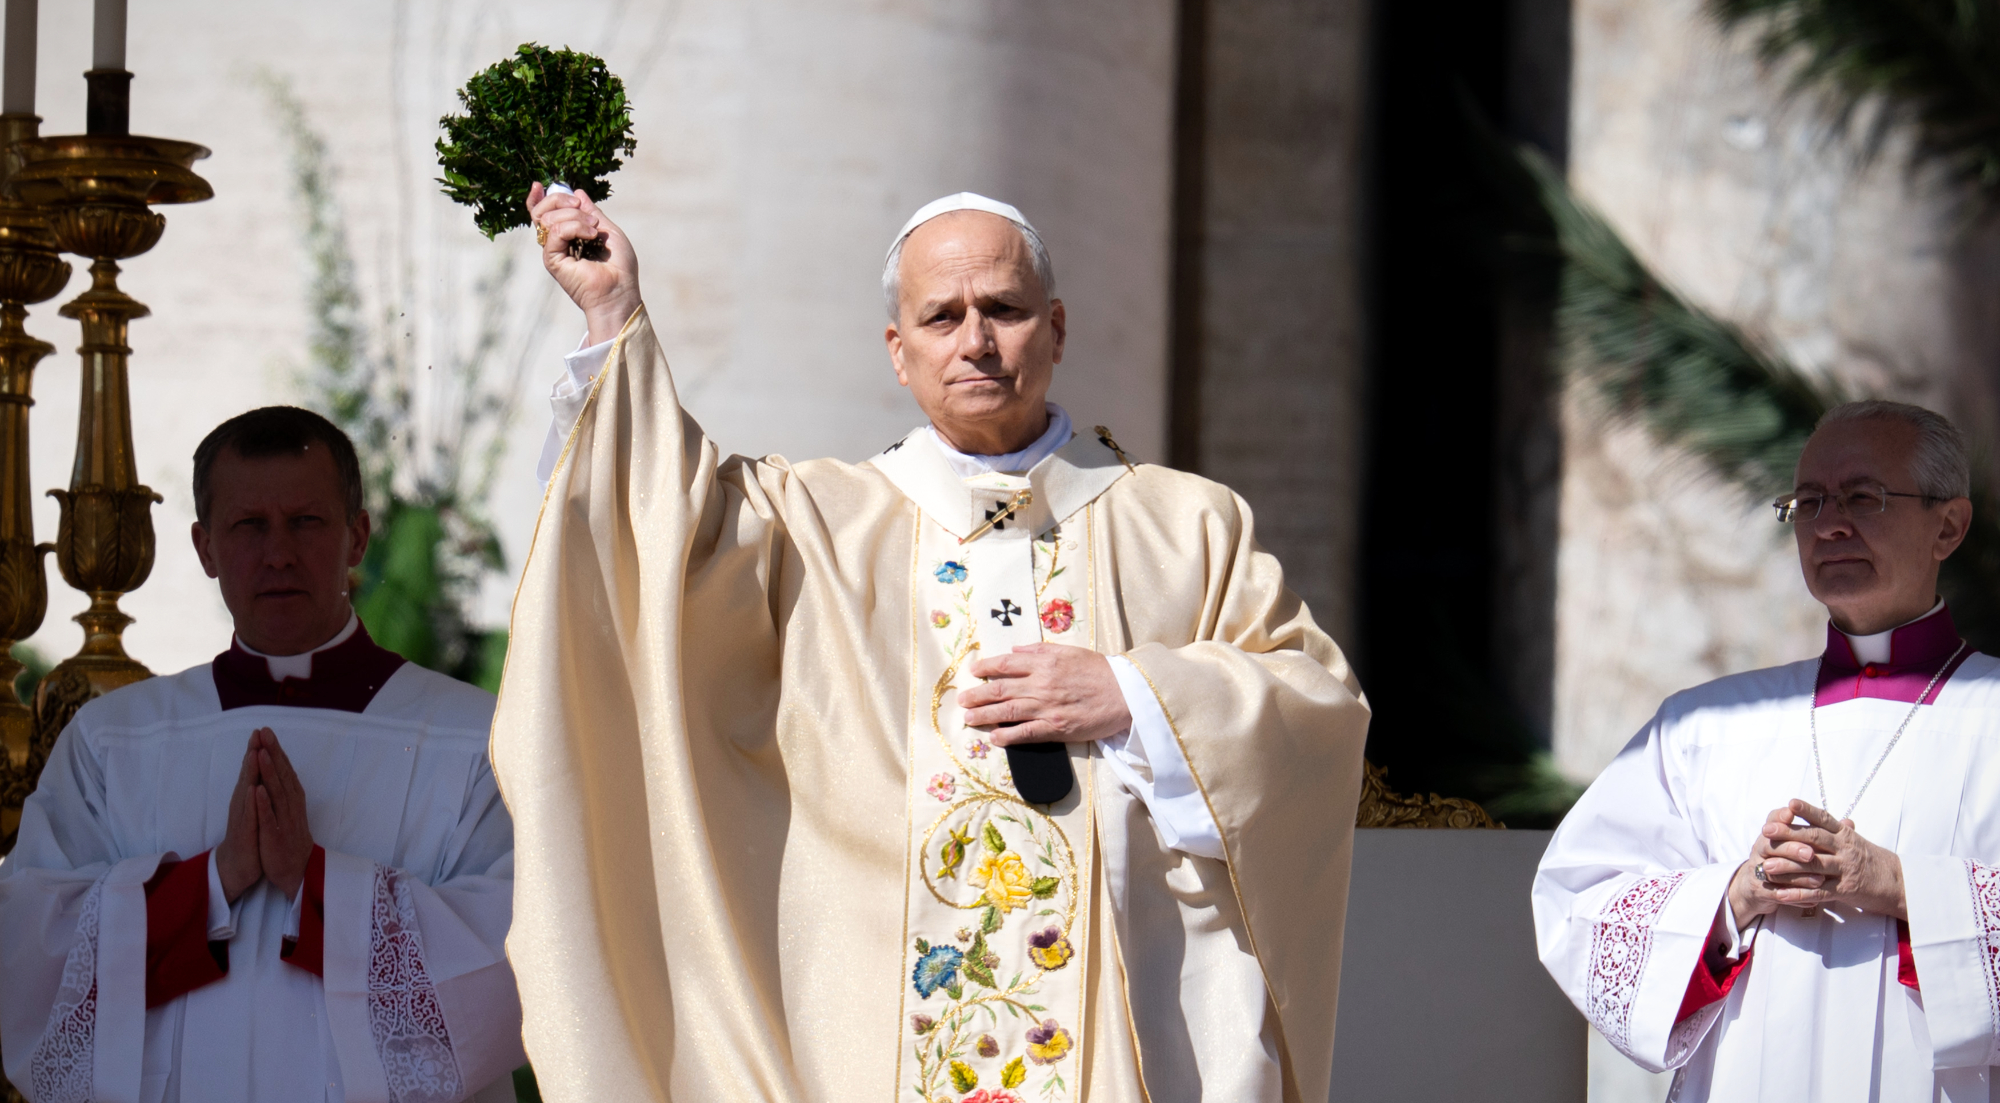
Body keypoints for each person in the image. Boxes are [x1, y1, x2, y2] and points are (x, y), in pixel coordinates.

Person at [494, 187, 1370, 1103]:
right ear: (898, 352)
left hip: (1134, 1032)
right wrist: (612, 312)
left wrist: (1135, 696)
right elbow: (654, 529)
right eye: (942, 316)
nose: (976, 341)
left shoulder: (1187, 524)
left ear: (1058, 327)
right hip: (874, 1038)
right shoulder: (814, 524)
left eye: (1004, 309)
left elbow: (1317, 706)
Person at [0, 407, 523, 1103]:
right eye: (249, 525)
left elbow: (515, 958)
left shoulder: (476, 740)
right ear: (205, 547)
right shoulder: (113, 741)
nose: (278, 552)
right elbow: (30, 962)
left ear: (357, 535)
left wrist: (317, 883)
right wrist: (212, 883)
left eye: (306, 521)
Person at [1533, 400, 2000, 1101]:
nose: (1829, 523)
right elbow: (1577, 903)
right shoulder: (1703, 725)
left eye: (1862, 497)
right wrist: (1733, 895)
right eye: (1808, 501)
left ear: (1949, 526)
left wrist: (1899, 885)